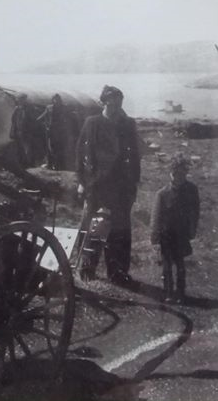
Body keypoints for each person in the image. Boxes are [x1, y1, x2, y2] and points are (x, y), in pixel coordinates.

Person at [75, 85, 141, 286]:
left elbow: (135, 155)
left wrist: (133, 184)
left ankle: (118, 272)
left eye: (119, 102)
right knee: (92, 228)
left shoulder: (128, 124)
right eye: (112, 102)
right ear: (104, 102)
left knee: (120, 231)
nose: (116, 107)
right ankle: (86, 269)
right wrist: (81, 182)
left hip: (121, 188)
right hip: (96, 186)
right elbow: (80, 154)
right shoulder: (92, 123)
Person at [150, 153, 200, 304]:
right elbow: (156, 215)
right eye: (175, 173)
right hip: (166, 234)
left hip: (182, 233)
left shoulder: (191, 190)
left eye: (181, 173)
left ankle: (181, 292)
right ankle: (168, 292)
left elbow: (195, 212)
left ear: (186, 173)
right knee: (166, 264)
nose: (178, 177)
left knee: (180, 263)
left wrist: (192, 229)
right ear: (170, 174)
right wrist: (154, 233)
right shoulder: (162, 194)